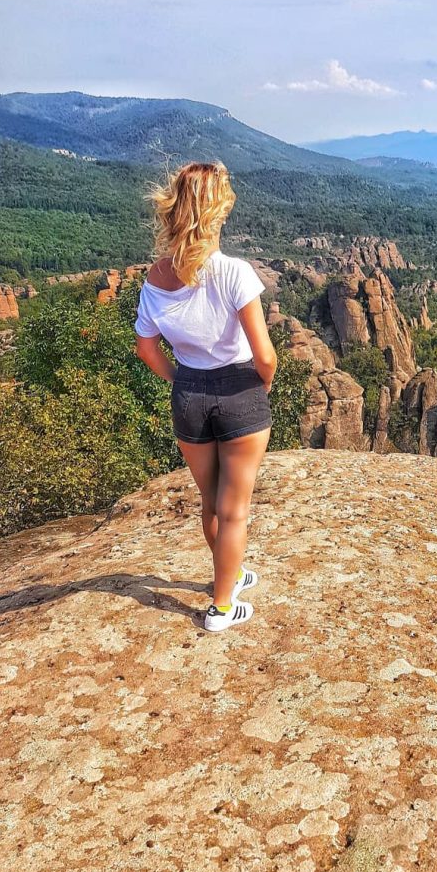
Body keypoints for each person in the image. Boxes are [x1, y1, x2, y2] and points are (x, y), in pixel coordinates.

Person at [134, 162, 277, 633]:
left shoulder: (154, 278)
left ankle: (229, 573)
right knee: (234, 509)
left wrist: (178, 378)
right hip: (239, 390)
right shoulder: (234, 272)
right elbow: (266, 355)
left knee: (210, 503)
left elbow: (146, 347)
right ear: (219, 212)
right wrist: (261, 388)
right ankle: (220, 607)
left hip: (189, 393)